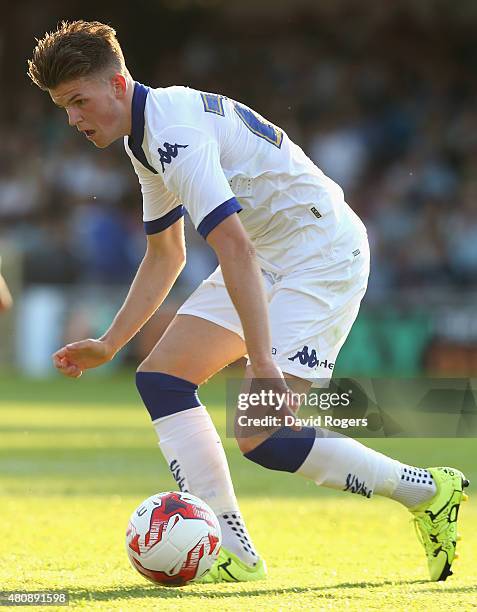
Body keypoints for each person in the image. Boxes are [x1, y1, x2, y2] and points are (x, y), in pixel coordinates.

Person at [28, 20, 468, 583]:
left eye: (78, 101)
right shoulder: (145, 136)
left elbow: (228, 245)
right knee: (160, 378)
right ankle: (233, 549)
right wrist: (112, 343)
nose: (72, 119)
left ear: (117, 85)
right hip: (266, 254)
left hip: (320, 255)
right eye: (63, 107)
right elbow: (167, 253)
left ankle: (429, 492)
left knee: (263, 433)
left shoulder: (173, 134)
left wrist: (261, 364)